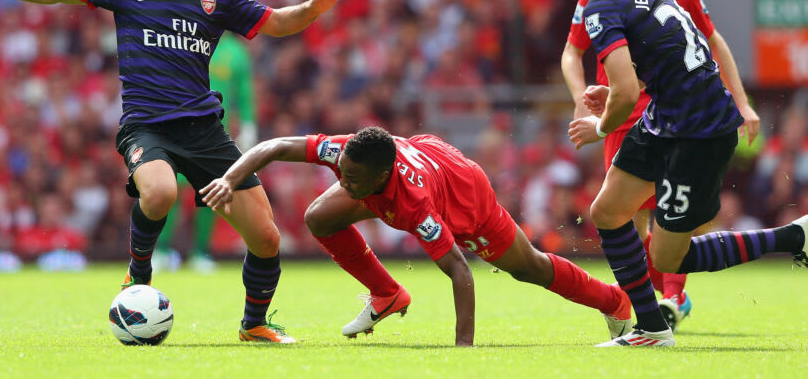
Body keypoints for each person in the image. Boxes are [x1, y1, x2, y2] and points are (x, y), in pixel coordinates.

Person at [0, 0, 352, 344]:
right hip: (146, 126)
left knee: (266, 237)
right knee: (162, 191)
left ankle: (254, 324)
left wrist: (312, 9)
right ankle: (138, 272)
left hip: (205, 130)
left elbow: (276, 22)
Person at [550, 0, 808, 347]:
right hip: (670, 117)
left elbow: (627, 92)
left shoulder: (598, 5)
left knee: (668, 254)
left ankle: (793, 236)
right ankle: (651, 327)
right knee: (608, 211)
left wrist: (599, 126)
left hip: (698, 131)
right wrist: (613, 91)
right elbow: (666, 56)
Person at [199, 126, 633, 347]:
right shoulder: (348, 153)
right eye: (342, 172)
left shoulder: (416, 208)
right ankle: (386, 294)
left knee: (531, 269)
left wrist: (463, 352)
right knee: (320, 216)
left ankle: (614, 301)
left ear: (381, 176)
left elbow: (460, 272)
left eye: (352, 178)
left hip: (468, 200)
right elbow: (274, 146)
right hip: (423, 153)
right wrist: (229, 179)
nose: (342, 180)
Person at [154, 34, 258, 274]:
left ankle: (201, 252)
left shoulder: (236, 52)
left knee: (212, 192)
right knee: (171, 188)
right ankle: (161, 250)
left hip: (217, 135)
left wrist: (249, 124)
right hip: (179, 128)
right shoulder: (184, 38)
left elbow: (244, 92)